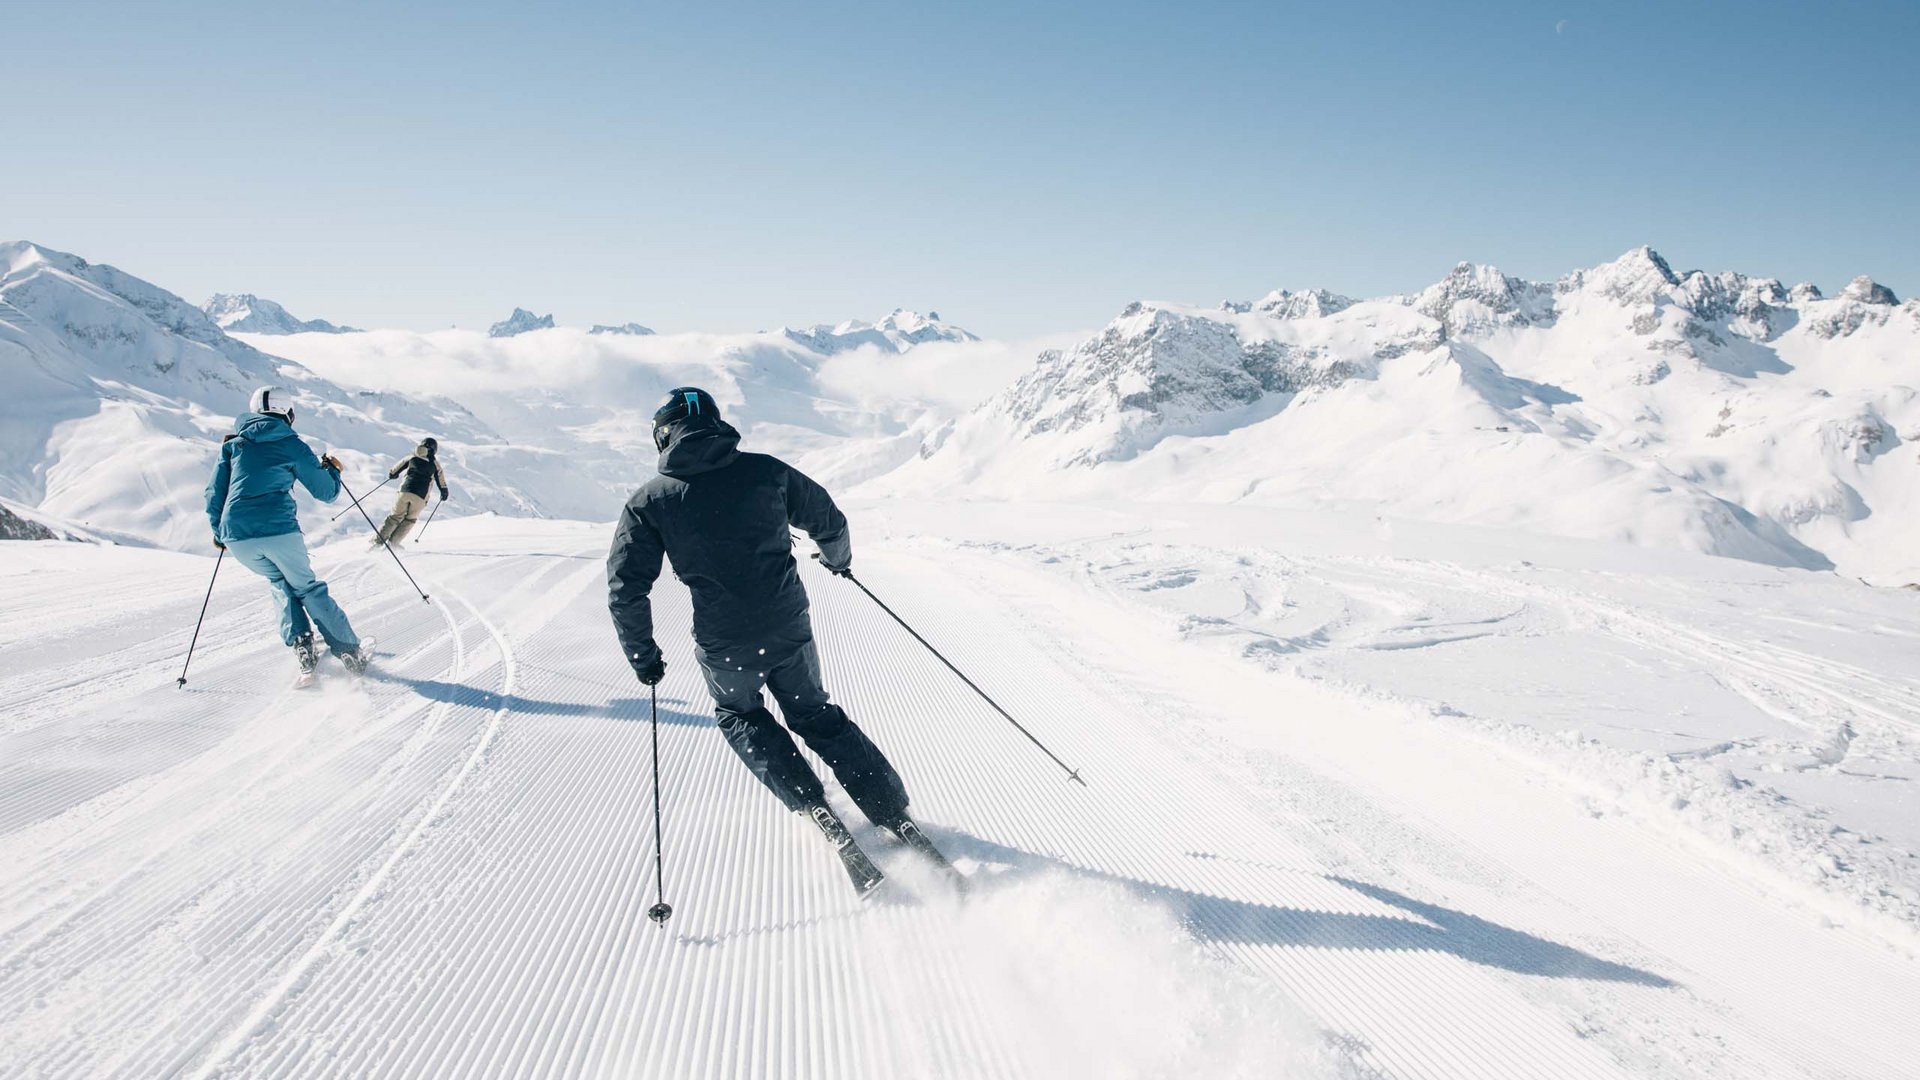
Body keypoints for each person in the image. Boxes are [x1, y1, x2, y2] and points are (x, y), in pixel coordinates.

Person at [608, 387, 926, 892]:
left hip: (725, 644)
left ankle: (813, 806)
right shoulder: (766, 471)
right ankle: (891, 811)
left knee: (741, 716)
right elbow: (829, 520)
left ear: (663, 436)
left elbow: (626, 589)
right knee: (815, 716)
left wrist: (643, 656)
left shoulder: (649, 501)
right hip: (786, 627)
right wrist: (839, 562)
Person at [206, 386, 371, 680]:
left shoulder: (233, 446)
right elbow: (325, 492)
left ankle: (302, 645)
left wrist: (219, 532)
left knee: (279, 580)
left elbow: (214, 493)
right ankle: (349, 651)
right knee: (306, 588)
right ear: (288, 414)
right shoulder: (290, 443)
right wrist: (332, 470)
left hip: (237, 537)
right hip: (278, 530)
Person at [372, 437, 449, 547]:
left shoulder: (412, 457)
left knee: (394, 517)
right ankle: (393, 544)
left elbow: (393, 472)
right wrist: (444, 492)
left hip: (404, 491)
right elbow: (441, 481)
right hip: (420, 497)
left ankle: (377, 543)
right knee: (409, 520)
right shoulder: (435, 464)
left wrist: (393, 475)